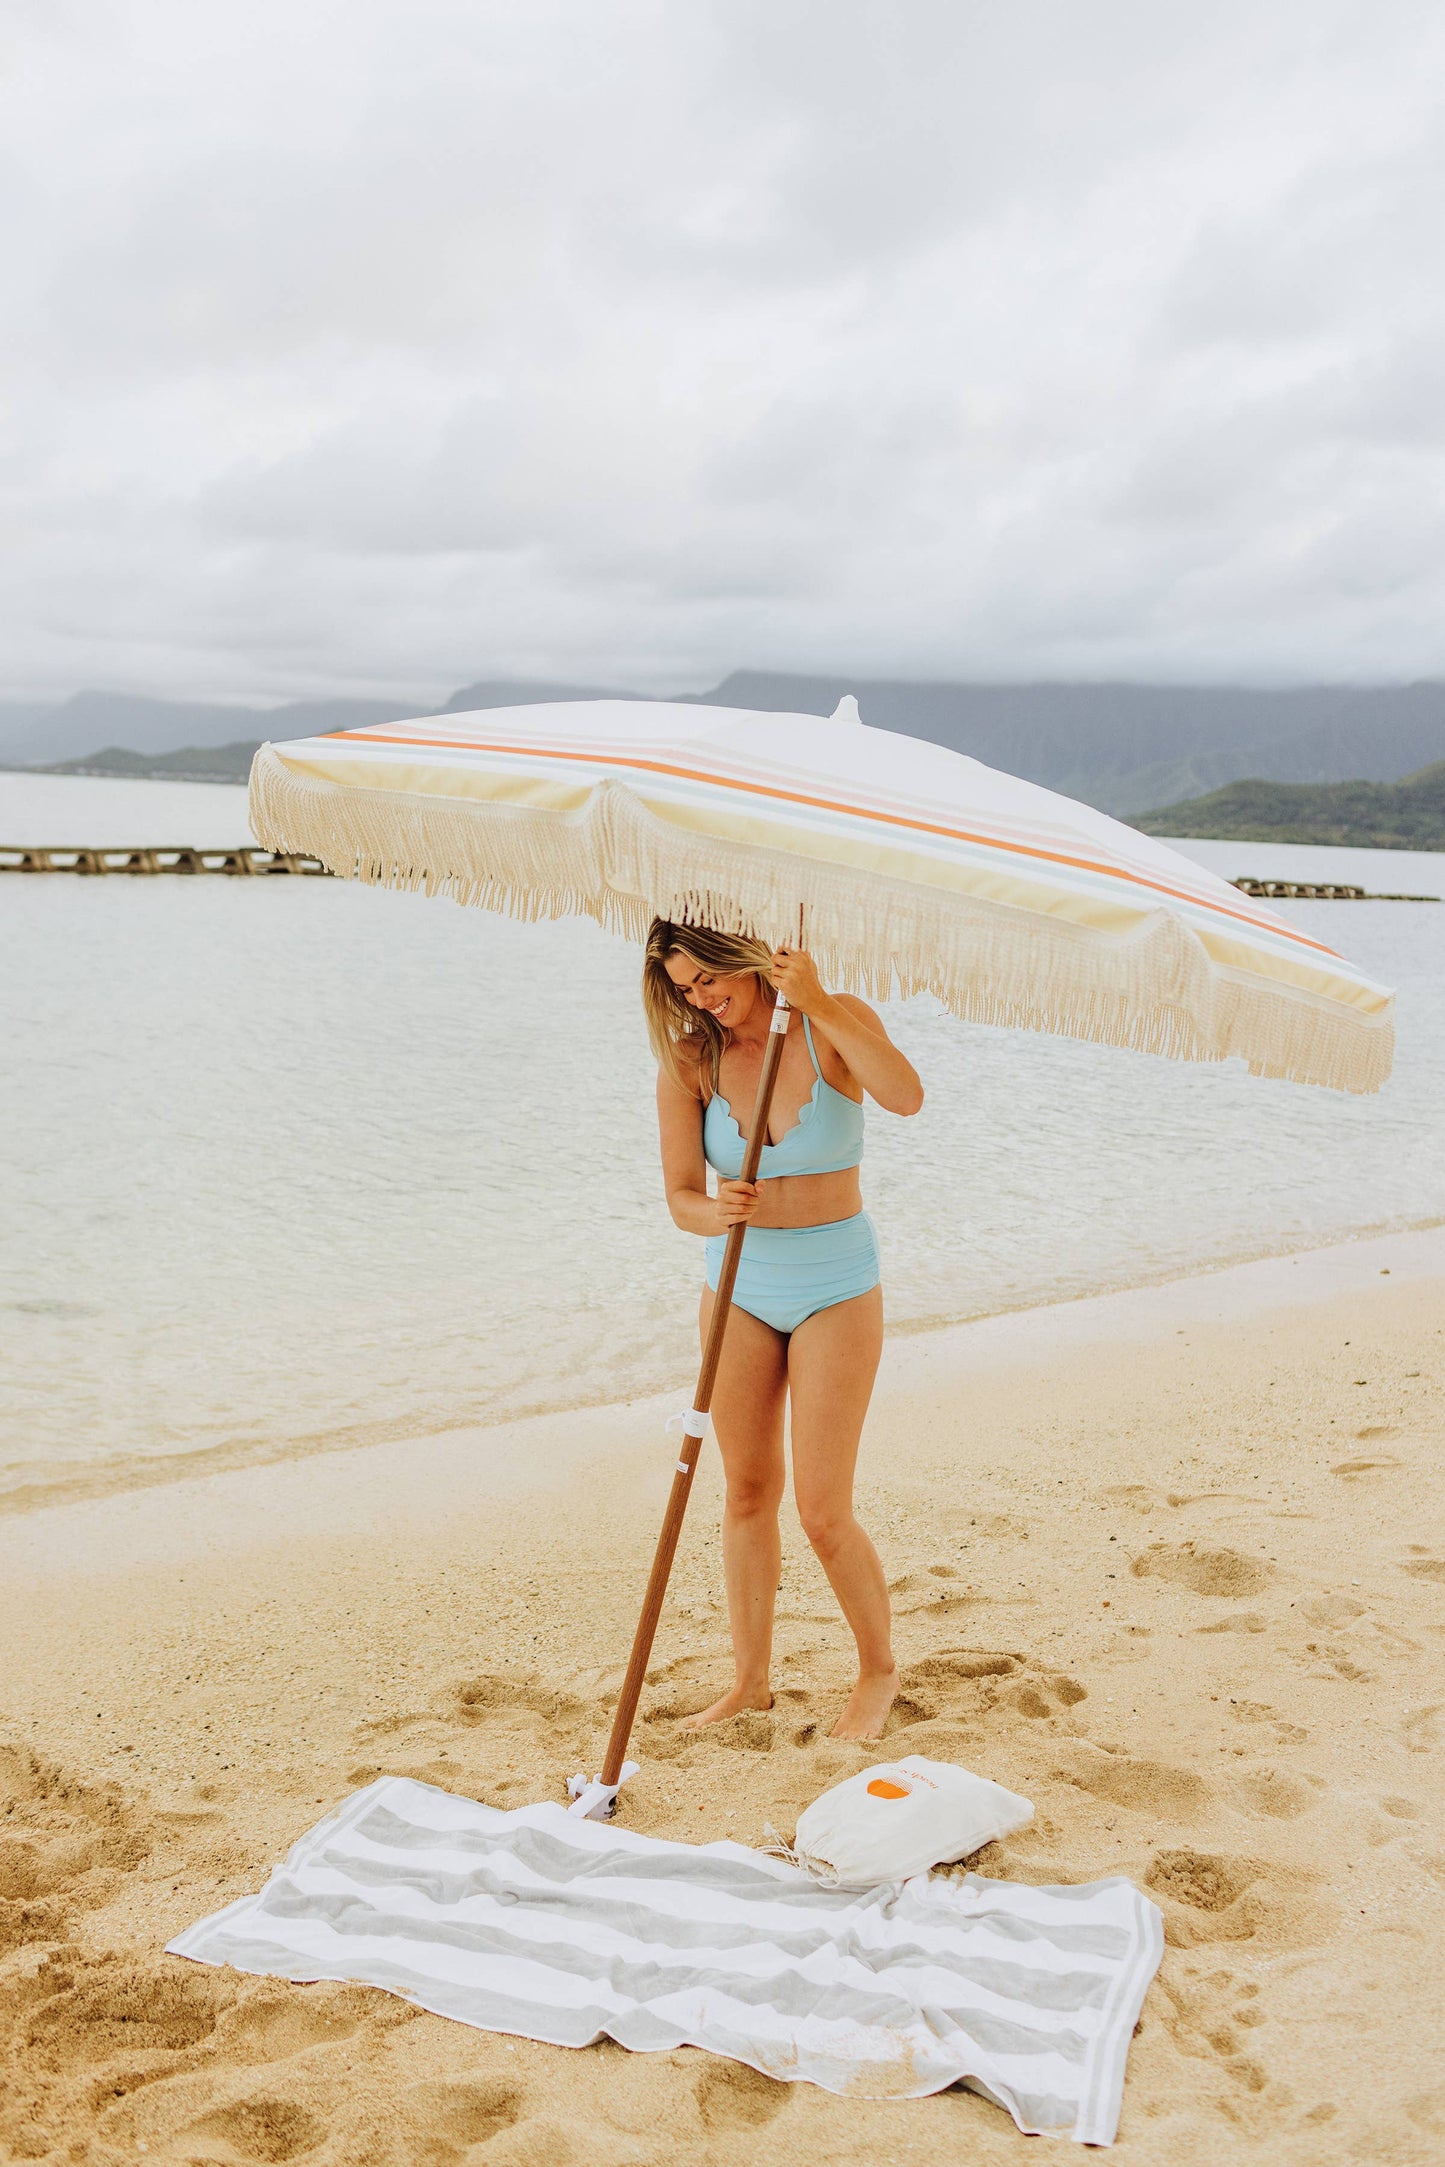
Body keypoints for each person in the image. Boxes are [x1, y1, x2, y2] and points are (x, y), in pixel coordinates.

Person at [643, 919, 925, 1740]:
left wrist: (816, 1003)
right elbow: (679, 1196)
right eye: (685, 988)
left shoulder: (833, 1018)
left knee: (821, 1510)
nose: (702, 999)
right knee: (744, 1490)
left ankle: (877, 1670)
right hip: (738, 1286)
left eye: (709, 979)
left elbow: (905, 1095)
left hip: (835, 1282)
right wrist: (713, 1209)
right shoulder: (689, 1060)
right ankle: (750, 1682)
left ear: (744, 957)